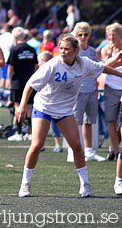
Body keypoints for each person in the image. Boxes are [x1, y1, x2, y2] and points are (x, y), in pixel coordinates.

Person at [15, 33, 122, 198]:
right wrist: (22, 106)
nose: (63, 52)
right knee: (36, 145)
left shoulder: (84, 64)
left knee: (77, 147)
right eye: (61, 49)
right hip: (44, 107)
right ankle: (25, 184)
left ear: (76, 50)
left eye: (67, 49)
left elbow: (102, 68)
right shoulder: (53, 64)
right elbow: (30, 84)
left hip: (64, 110)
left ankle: (85, 185)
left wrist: (120, 74)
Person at [69, 22, 106, 162]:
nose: (83, 37)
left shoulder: (92, 52)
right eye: (80, 34)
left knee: (89, 122)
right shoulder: (74, 52)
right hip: (78, 92)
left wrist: (96, 86)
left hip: (91, 90)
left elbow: (96, 69)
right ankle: (72, 151)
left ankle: (89, 151)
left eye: (85, 34)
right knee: (74, 123)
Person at [7, 27, 37, 141]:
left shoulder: (14, 49)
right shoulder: (32, 49)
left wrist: (9, 81)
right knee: (29, 107)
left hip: (17, 82)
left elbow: (11, 67)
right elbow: (35, 67)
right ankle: (29, 133)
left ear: (15, 37)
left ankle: (19, 133)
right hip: (30, 82)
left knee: (18, 107)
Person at [101, 22, 122, 161]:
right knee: (111, 120)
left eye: (114, 34)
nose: (111, 37)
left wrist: (113, 63)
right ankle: (115, 151)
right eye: (109, 35)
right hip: (110, 88)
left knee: (121, 124)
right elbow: (104, 67)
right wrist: (116, 58)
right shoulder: (106, 50)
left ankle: (116, 148)